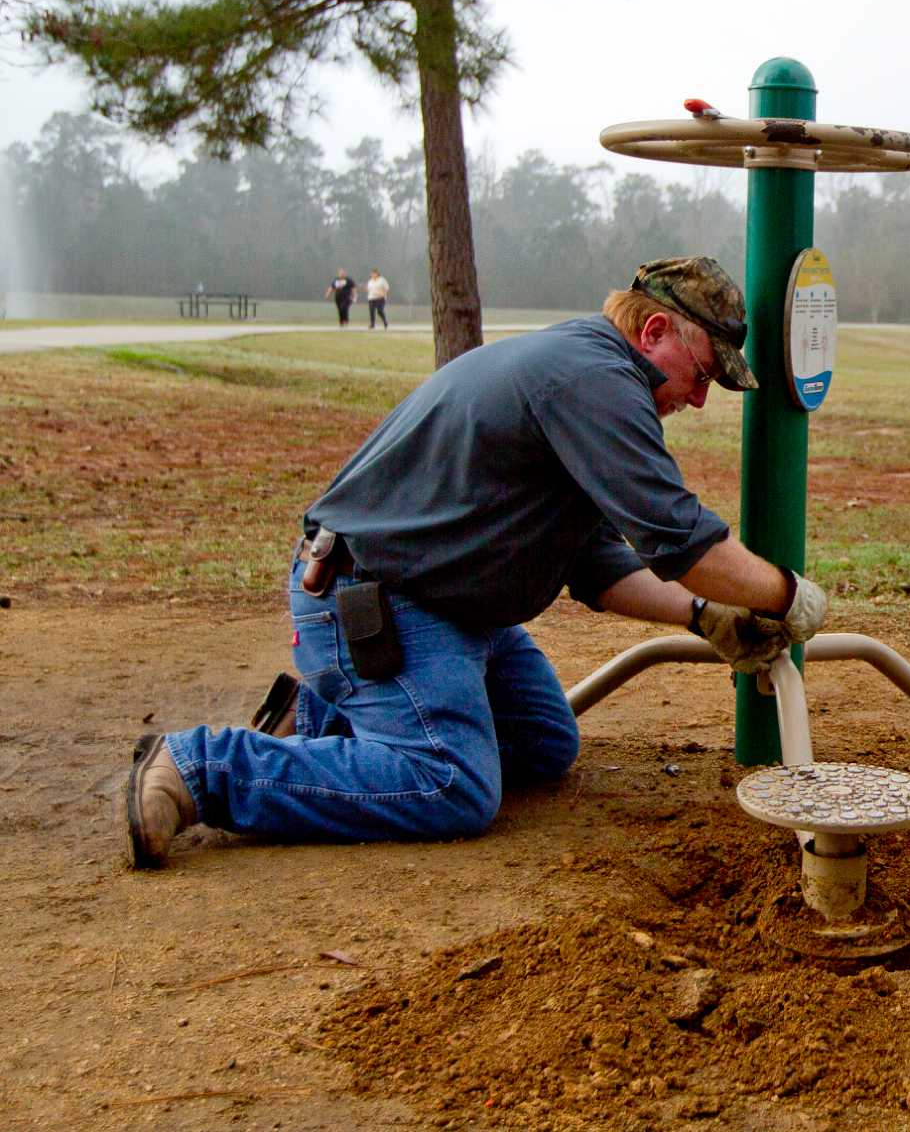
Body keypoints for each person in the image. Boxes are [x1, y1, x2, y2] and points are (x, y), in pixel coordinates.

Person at [126, 257, 829, 868]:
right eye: (702, 374)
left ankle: (322, 724)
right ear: (653, 333)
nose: (700, 399)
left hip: (453, 608)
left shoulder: (583, 371)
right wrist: (786, 596)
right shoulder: (594, 381)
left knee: (545, 745)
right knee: (450, 784)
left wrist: (703, 614)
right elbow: (681, 541)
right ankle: (200, 768)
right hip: (377, 597)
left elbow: (594, 564)